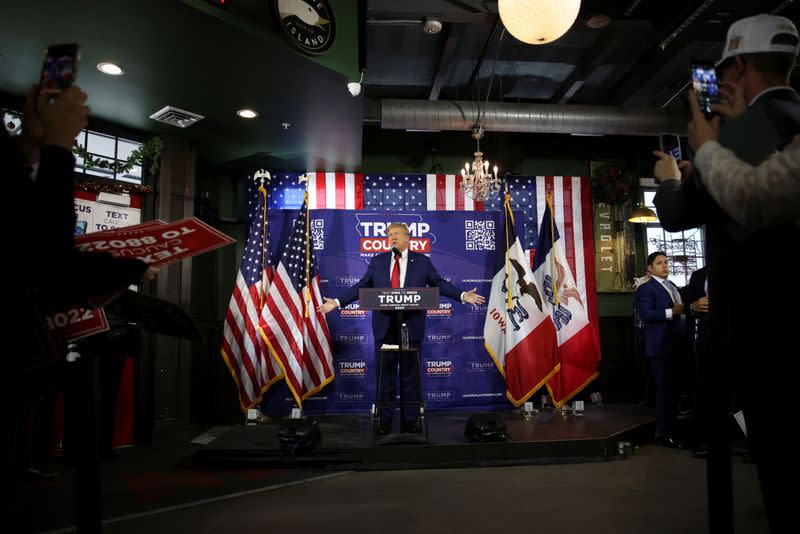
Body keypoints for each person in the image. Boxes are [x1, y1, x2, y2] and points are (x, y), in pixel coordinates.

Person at [653, 14, 800, 533]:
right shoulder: (790, 119)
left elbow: (677, 213)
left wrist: (671, 178)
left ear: (736, 66)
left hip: (758, 334)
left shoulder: (747, 132)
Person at [317, 222, 485, 434]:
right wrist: (338, 302)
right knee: (384, 378)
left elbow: (439, 284)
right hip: (384, 327)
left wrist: (462, 295)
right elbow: (362, 286)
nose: (392, 237)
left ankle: (410, 421)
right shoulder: (378, 261)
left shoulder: (422, 262)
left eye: (396, 234)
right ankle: (384, 422)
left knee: (410, 378)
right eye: (389, 235)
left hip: (411, 327)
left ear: (408, 238)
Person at [633, 252, 687, 448]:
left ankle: (674, 429)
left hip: (677, 345)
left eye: (666, 262)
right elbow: (647, 314)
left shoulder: (672, 286)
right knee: (664, 392)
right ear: (650, 268)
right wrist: (671, 312)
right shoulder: (646, 288)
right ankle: (664, 433)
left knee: (674, 391)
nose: (665, 266)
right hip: (660, 347)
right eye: (659, 263)